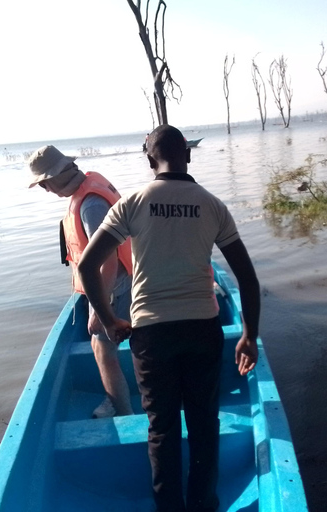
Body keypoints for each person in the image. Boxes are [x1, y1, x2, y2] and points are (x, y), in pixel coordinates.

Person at [78, 125, 260, 512]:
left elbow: (88, 265)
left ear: (149, 160)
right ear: (188, 155)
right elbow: (246, 277)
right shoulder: (212, 205)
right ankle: (203, 504)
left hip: (152, 334)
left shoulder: (131, 203)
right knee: (203, 424)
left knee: (161, 428)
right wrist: (249, 334)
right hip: (202, 329)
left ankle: (169, 507)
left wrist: (110, 320)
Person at [27, 145, 133, 418]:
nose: (46, 191)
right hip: (116, 283)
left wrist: (101, 311)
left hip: (117, 288)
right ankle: (116, 399)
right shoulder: (87, 187)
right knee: (102, 346)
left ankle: (122, 411)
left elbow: (108, 261)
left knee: (102, 349)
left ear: (55, 178)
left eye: (44, 185)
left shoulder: (91, 205)